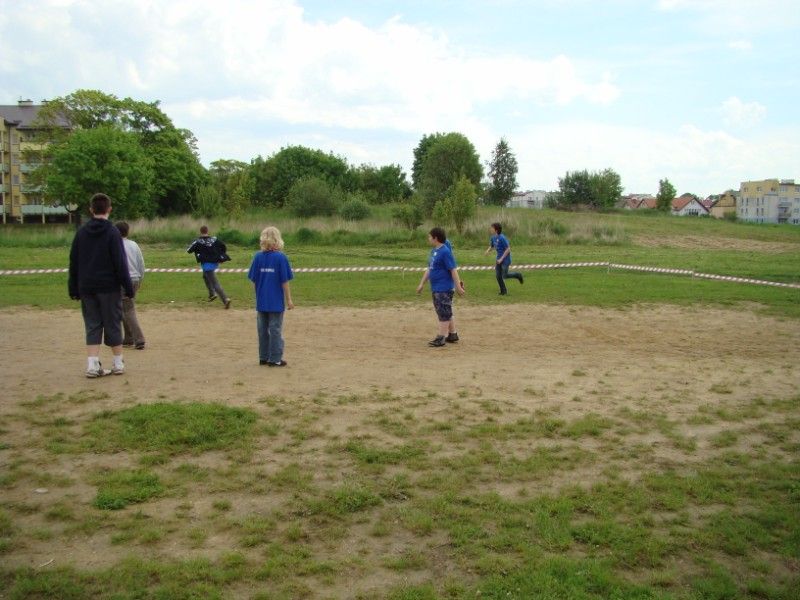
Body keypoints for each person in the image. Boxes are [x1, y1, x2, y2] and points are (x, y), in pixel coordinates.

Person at [68, 193, 134, 378]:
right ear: (109, 209)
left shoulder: (81, 232)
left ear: (91, 210)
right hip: (109, 287)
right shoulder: (113, 232)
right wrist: (128, 287)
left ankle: (92, 365)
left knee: (92, 324)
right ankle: (118, 363)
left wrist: (73, 287)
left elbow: (74, 262)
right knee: (113, 322)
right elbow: (120, 262)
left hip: (87, 287)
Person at [248, 226, 294, 366]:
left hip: (262, 300)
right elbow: (284, 281)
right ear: (277, 239)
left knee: (262, 329)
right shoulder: (281, 257)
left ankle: (263, 357)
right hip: (275, 301)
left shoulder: (257, 257)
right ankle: (275, 359)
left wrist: (257, 296)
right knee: (275, 329)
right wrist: (289, 299)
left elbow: (254, 280)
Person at [416, 227, 465, 347]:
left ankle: (441, 338)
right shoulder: (434, 251)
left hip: (444, 288)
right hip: (436, 287)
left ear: (435, 238)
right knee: (446, 310)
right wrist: (422, 283)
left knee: (443, 312)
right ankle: (452, 334)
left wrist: (458, 287)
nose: (428, 238)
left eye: (430, 236)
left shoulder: (445, 252)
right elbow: (429, 269)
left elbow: (453, 270)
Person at [115, 221, 146, 350]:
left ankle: (139, 339)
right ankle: (128, 338)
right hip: (135, 279)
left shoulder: (115, 245)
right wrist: (140, 278)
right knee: (125, 308)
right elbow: (141, 263)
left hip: (123, 281)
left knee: (128, 310)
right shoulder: (134, 245)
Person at [187, 225, 231, 309]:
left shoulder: (198, 241)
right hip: (215, 262)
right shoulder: (214, 239)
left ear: (200, 232)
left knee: (215, 283)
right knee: (205, 276)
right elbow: (223, 246)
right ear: (207, 231)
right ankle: (212, 294)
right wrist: (221, 254)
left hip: (207, 265)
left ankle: (225, 299)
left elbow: (189, 250)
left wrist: (198, 250)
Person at [484, 222, 523, 295]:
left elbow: (508, 249)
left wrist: (501, 259)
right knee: (498, 276)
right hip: (498, 259)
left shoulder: (502, 238)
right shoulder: (493, 237)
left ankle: (518, 275)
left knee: (504, 275)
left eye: (492, 228)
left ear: (496, 230)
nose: (490, 229)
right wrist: (487, 251)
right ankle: (503, 291)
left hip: (505, 260)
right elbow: (492, 246)